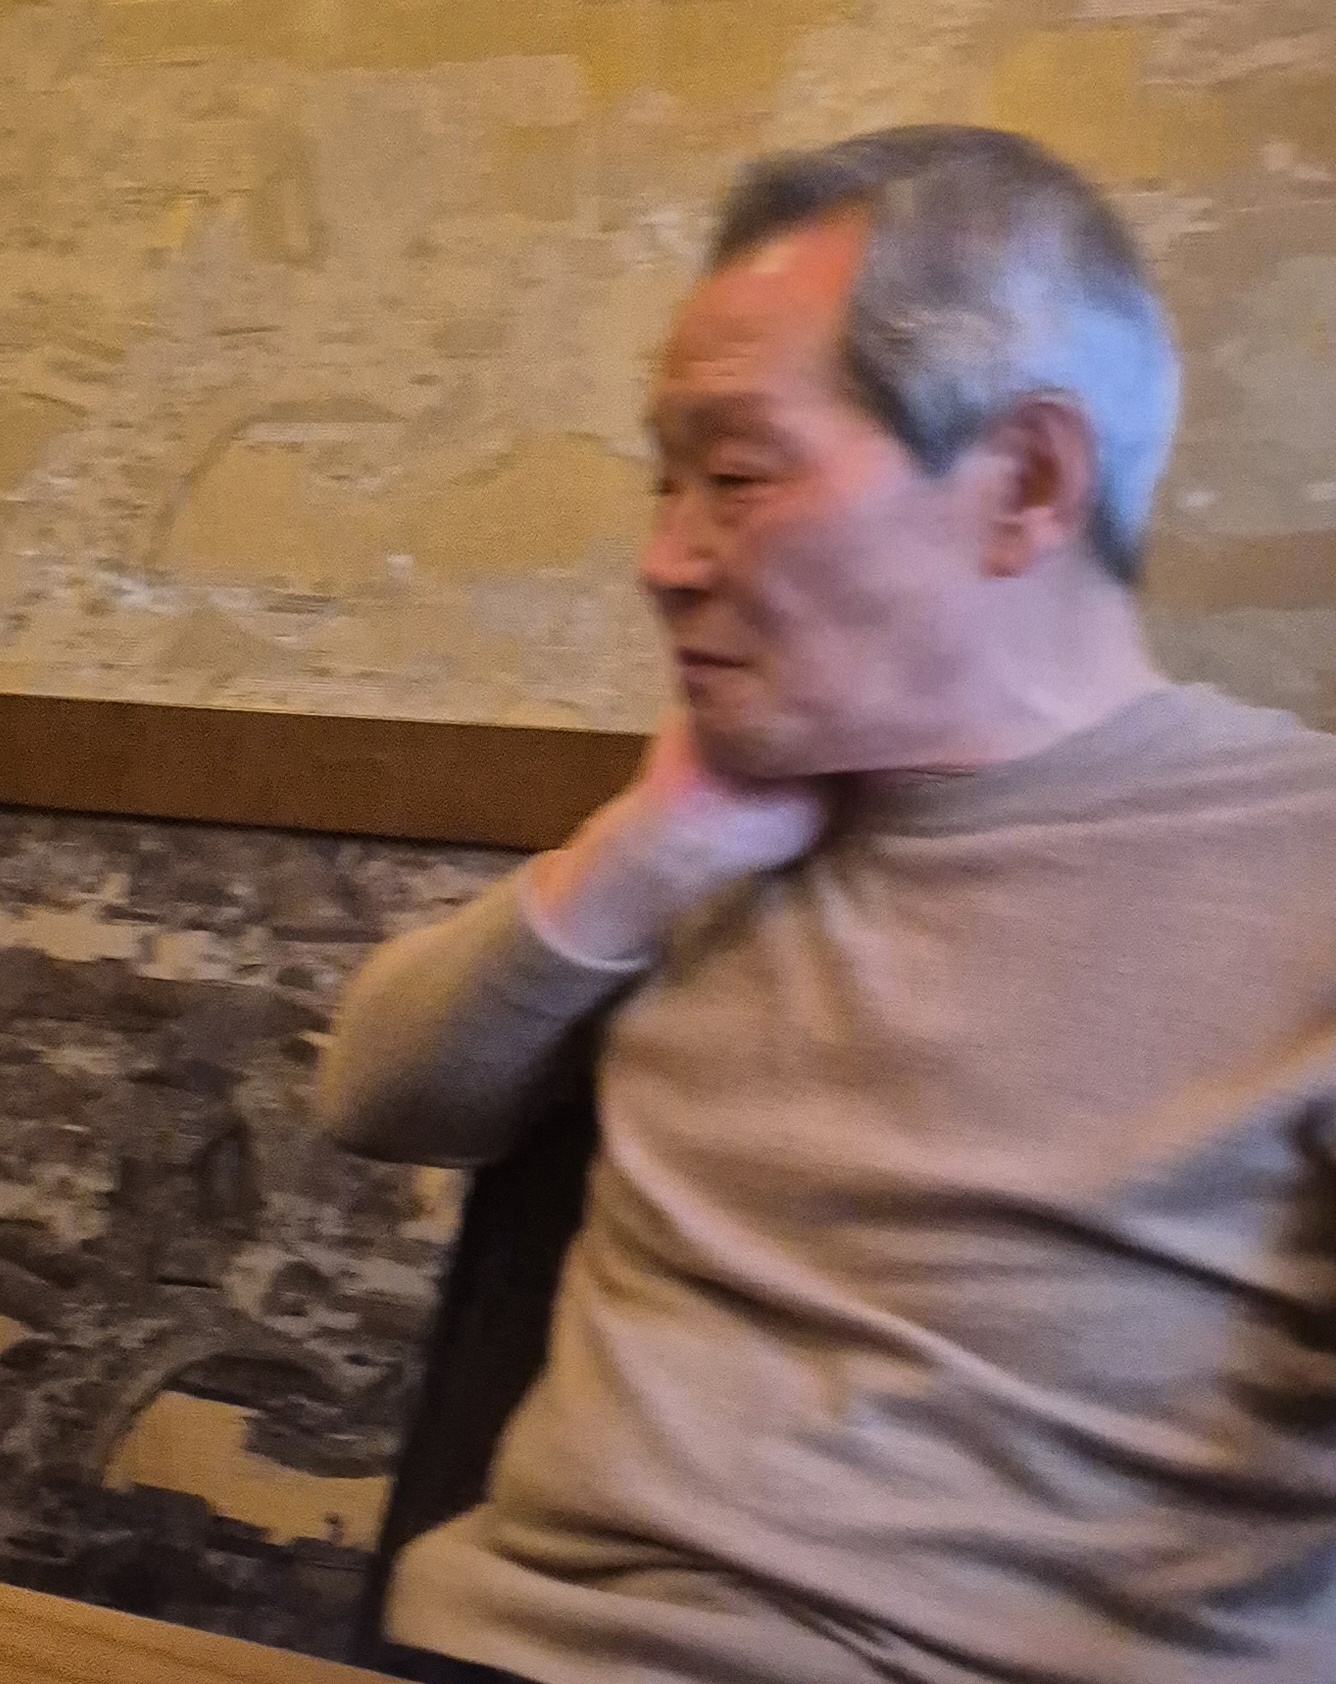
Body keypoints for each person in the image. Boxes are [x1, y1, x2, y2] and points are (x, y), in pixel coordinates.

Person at [319, 127, 1336, 1684]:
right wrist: (648, 851)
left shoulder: (1298, 859)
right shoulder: (723, 823)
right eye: (663, 482)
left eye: (734, 475)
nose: (662, 561)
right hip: (494, 1647)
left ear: (1028, 482)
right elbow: (378, 1097)